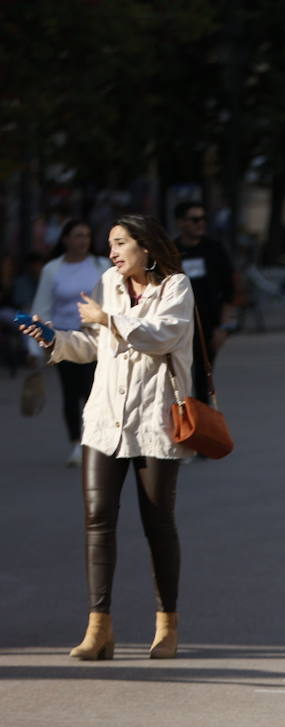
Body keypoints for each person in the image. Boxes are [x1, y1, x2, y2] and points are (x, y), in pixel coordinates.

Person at [20, 215, 198, 661]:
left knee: (157, 523)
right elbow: (93, 345)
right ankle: (98, 628)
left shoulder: (175, 287)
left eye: (121, 244)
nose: (113, 252)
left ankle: (167, 625)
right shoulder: (108, 282)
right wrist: (54, 339)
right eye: (111, 245)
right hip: (104, 420)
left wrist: (108, 318)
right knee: (98, 520)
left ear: (147, 246)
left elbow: (163, 337)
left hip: (155, 422)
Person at [31, 219, 112, 466]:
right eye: (77, 235)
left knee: (92, 390)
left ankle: (96, 440)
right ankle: (76, 444)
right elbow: (42, 307)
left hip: (95, 338)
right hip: (64, 338)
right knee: (71, 392)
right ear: (65, 239)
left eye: (86, 235)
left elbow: (113, 301)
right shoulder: (53, 270)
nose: (83, 241)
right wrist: (37, 345)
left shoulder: (101, 265)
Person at [173, 201, 241, 406]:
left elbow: (230, 290)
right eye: (194, 219)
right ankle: (181, 424)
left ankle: (202, 427)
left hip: (208, 326)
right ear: (181, 223)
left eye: (203, 219)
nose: (200, 224)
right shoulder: (172, 251)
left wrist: (224, 327)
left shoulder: (214, 249)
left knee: (203, 379)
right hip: (179, 325)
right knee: (179, 378)